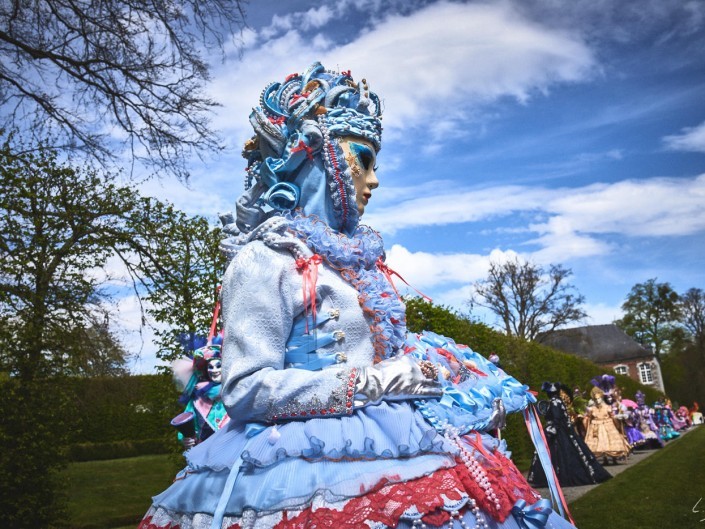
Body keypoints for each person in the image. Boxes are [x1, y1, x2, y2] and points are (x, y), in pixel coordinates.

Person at [139, 62, 577, 529]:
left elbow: (366, 350)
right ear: (315, 158)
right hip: (296, 468)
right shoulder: (264, 260)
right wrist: (379, 382)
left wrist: (425, 362)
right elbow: (245, 389)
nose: (375, 180)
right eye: (363, 160)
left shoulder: (351, 264)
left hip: (398, 436)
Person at [527, 382, 611, 487]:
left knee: (561, 455)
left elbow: (556, 420)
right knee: (570, 453)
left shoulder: (554, 402)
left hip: (559, 433)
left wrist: (550, 432)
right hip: (565, 431)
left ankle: (559, 478)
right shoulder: (559, 401)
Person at [171, 343, 230, 448]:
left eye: (218, 366)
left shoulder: (235, 392)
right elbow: (188, 424)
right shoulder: (198, 399)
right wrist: (186, 438)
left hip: (234, 453)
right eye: (210, 367)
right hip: (206, 455)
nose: (214, 370)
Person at [584, 385, 631, 464]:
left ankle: (614, 459)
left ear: (601, 398)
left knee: (611, 441)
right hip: (596, 426)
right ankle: (605, 459)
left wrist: (619, 419)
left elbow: (613, 416)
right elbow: (588, 417)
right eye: (596, 399)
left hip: (608, 425)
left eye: (599, 399)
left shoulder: (607, 407)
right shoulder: (592, 409)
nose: (597, 400)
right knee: (599, 443)